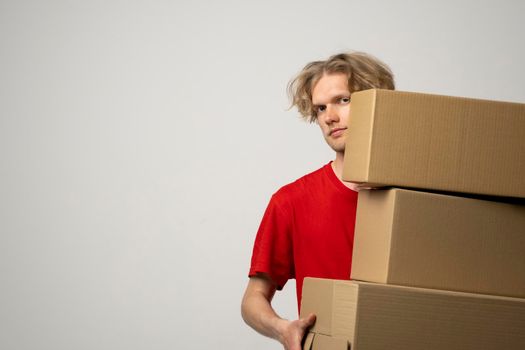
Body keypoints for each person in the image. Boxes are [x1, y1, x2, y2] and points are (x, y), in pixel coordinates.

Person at [241, 51, 395, 350]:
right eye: (320, 108)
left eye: (343, 100)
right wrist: (282, 329)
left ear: (377, 101)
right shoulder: (291, 201)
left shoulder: (420, 197)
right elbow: (253, 298)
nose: (329, 117)